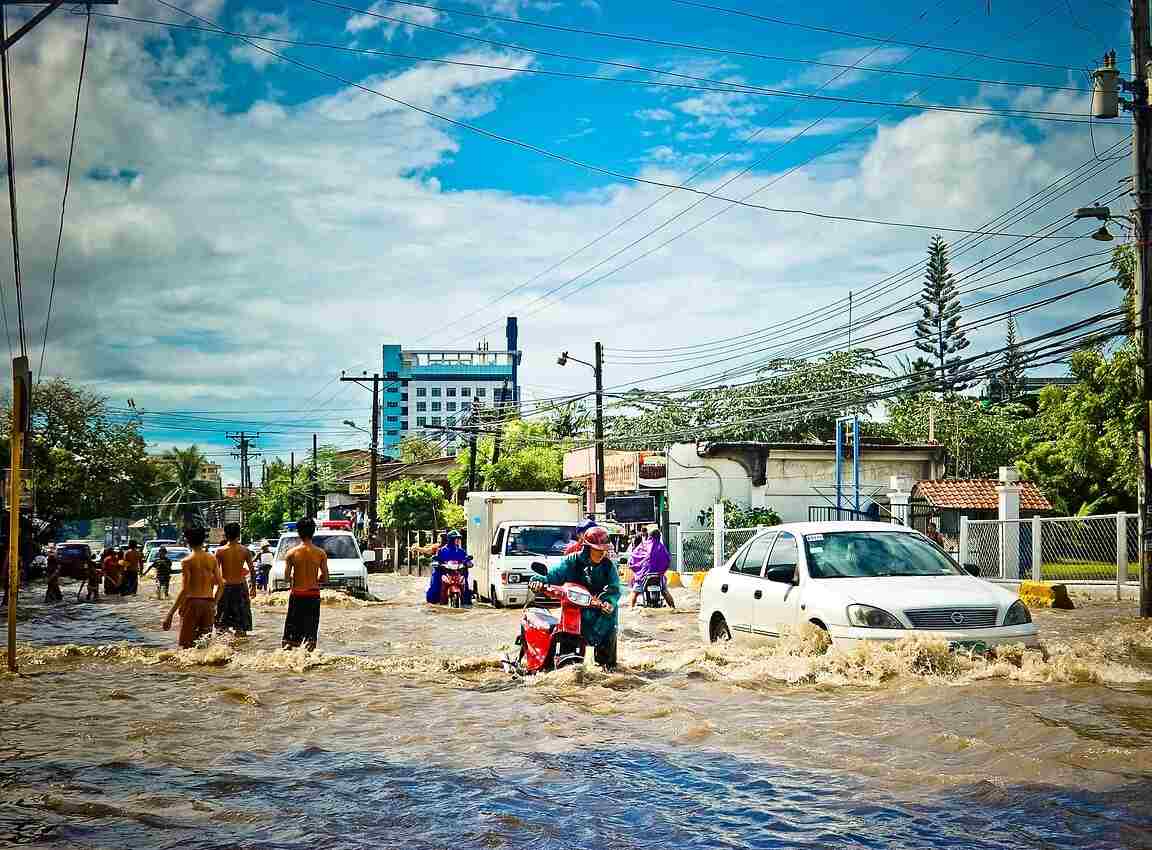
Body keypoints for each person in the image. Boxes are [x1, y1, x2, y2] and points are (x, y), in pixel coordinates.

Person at [529, 526, 620, 669]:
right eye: (598, 549)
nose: (602, 553)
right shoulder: (571, 561)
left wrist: (609, 602)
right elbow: (552, 576)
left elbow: (614, 589)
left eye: (604, 550)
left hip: (601, 612)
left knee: (609, 653)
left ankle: (609, 668)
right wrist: (538, 580)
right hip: (576, 611)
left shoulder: (608, 567)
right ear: (588, 547)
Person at [162, 527, 224, 649]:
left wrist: (170, 614)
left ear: (188, 542)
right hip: (208, 603)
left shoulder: (187, 561)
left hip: (192, 603)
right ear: (203, 541)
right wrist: (214, 604)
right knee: (204, 645)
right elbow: (221, 584)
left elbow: (185, 590)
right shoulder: (212, 558)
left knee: (186, 646)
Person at [282, 517, 328, 650]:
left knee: (289, 639)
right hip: (313, 596)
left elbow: (286, 578)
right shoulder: (320, 553)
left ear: (298, 532)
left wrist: (296, 579)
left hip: (297, 595)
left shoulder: (291, 553)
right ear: (313, 532)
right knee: (310, 636)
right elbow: (325, 578)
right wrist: (316, 578)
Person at [214, 523, 254, 636]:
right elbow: (252, 570)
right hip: (240, 587)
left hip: (225, 588)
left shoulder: (220, 551)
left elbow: (215, 574)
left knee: (221, 626)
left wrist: (213, 591)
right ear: (239, 535)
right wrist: (253, 587)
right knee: (241, 627)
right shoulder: (245, 550)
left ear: (225, 535)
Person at [629, 527, 675, 608]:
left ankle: (631, 608)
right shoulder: (661, 547)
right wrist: (661, 571)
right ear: (659, 536)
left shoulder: (643, 545)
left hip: (643, 576)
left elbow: (633, 557)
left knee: (635, 592)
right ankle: (673, 607)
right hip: (658, 576)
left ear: (649, 535)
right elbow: (667, 560)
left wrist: (633, 565)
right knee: (664, 591)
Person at [427, 530, 472, 605]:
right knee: (436, 583)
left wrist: (468, 562)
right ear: (450, 540)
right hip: (444, 572)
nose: (458, 540)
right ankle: (434, 599)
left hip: (458, 572)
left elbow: (466, 559)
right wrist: (436, 563)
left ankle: (466, 600)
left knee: (465, 584)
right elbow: (437, 559)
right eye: (456, 539)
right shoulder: (442, 550)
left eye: (458, 539)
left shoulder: (461, 551)